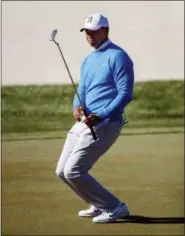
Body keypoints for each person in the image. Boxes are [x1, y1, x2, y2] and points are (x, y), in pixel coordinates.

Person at [56, 13, 134, 223]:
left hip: (107, 123)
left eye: (94, 31)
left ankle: (115, 207)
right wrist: (77, 107)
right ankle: (99, 205)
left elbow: (125, 93)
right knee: (62, 171)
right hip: (84, 122)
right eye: (87, 32)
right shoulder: (88, 60)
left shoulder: (118, 56)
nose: (90, 35)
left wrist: (101, 114)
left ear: (105, 31)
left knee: (74, 170)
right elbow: (81, 89)